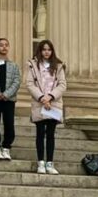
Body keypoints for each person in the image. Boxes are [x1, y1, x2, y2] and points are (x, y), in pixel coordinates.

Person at [27, 39, 67, 175]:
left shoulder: (59, 66)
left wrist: (50, 97)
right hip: (39, 102)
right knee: (40, 133)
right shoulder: (33, 65)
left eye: (49, 49)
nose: (46, 52)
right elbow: (30, 84)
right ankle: (41, 163)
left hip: (53, 103)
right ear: (40, 50)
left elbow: (62, 85)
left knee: (50, 134)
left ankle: (50, 162)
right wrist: (42, 98)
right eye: (44, 49)